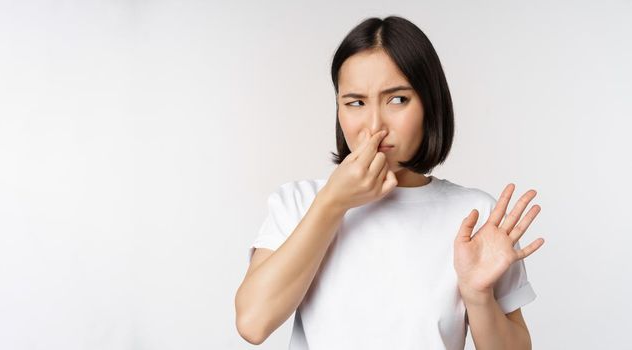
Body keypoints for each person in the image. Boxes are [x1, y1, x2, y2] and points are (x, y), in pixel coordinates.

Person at [234, 16, 546, 350]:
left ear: (430, 103)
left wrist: (478, 295)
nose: (374, 125)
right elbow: (253, 324)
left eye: (397, 99)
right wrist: (332, 202)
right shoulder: (298, 202)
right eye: (355, 102)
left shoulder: (475, 216)